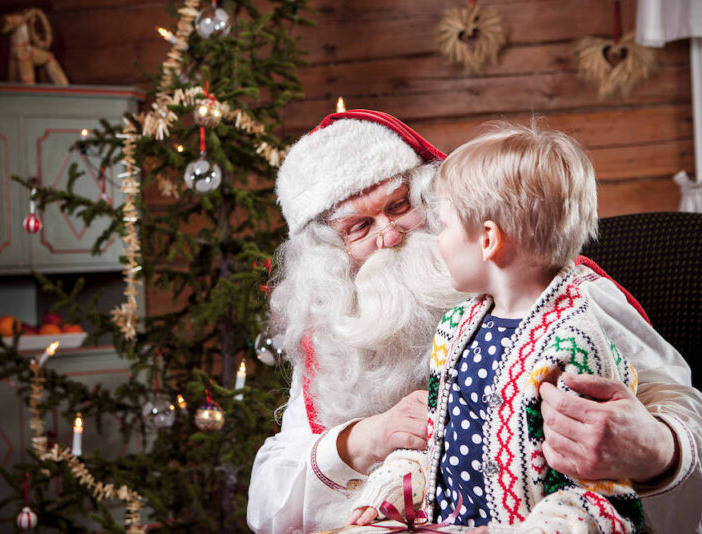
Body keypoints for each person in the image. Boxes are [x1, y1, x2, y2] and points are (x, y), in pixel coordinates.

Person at [246, 109, 702, 533]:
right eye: (359, 228)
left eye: (400, 205)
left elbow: (680, 406)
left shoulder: (566, 296)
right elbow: (267, 507)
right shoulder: (335, 338)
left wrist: (655, 449)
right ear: (328, 257)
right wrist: (365, 439)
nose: (388, 235)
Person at [348, 121, 643, 533]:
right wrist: (395, 488)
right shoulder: (454, 329)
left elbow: (598, 495)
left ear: (488, 240)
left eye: (447, 226)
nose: (437, 241)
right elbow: (439, 443)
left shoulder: (574, 344)